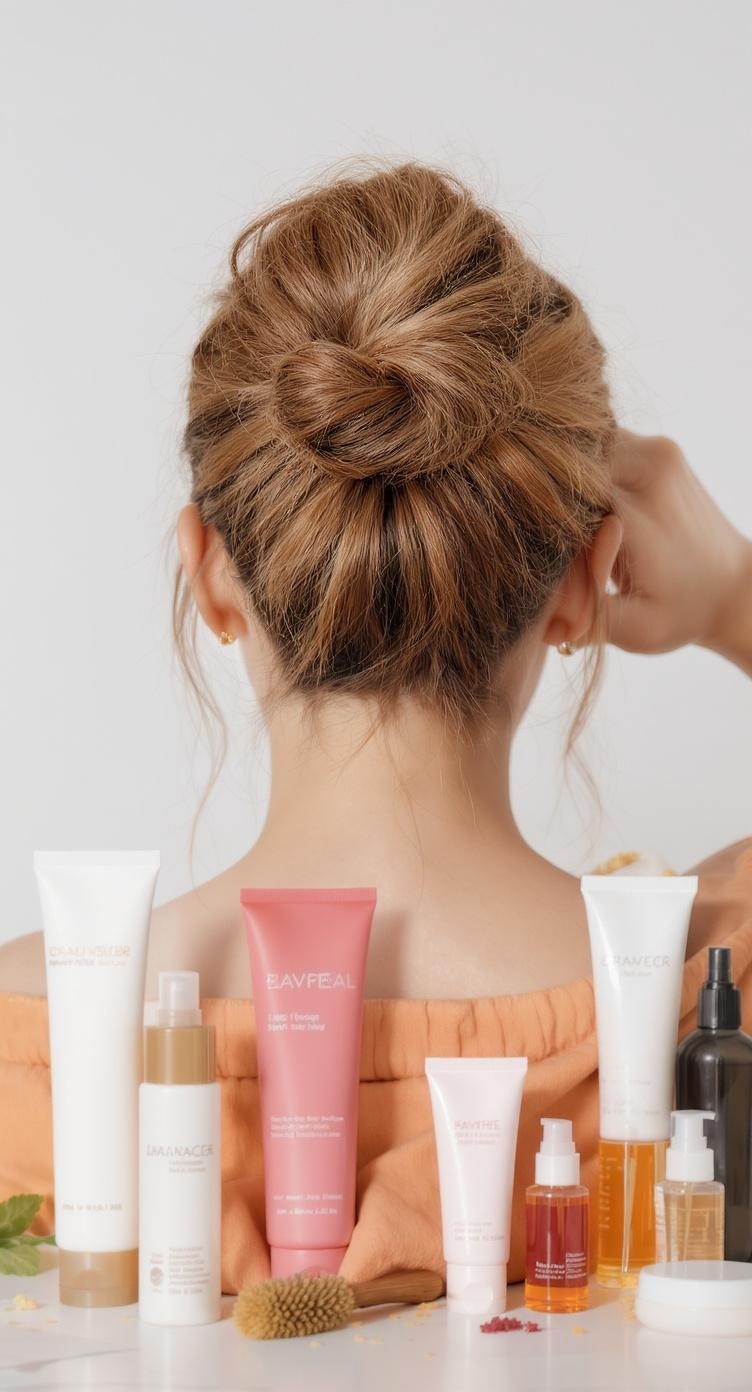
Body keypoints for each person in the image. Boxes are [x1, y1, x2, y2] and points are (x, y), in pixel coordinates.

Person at [2, 161, 750, 1291]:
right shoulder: (712, 1018)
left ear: (207, 574)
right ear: (581, 585)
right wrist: (733, 592)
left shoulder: (26, 1052)